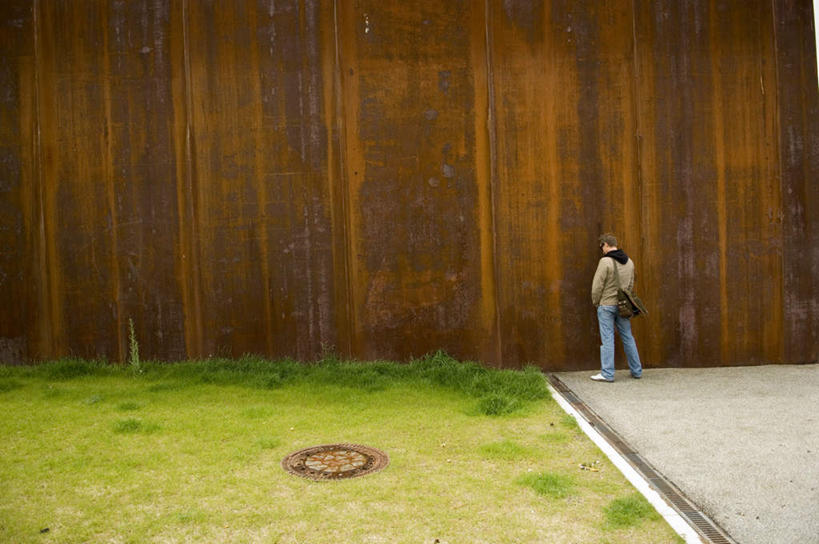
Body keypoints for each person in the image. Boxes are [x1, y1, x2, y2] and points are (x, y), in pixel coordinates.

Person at [590, 233, 642, 382]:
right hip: (623, 306)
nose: (602, 250)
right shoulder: (629, 262)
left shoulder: (605, 261)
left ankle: (607, 373)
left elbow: (597, 285)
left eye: (602, 247)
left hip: (606, 305)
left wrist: (596, 301)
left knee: (607, 339)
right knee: (628, 337)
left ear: (606, 244)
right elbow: (631, 284)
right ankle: (637, 371)